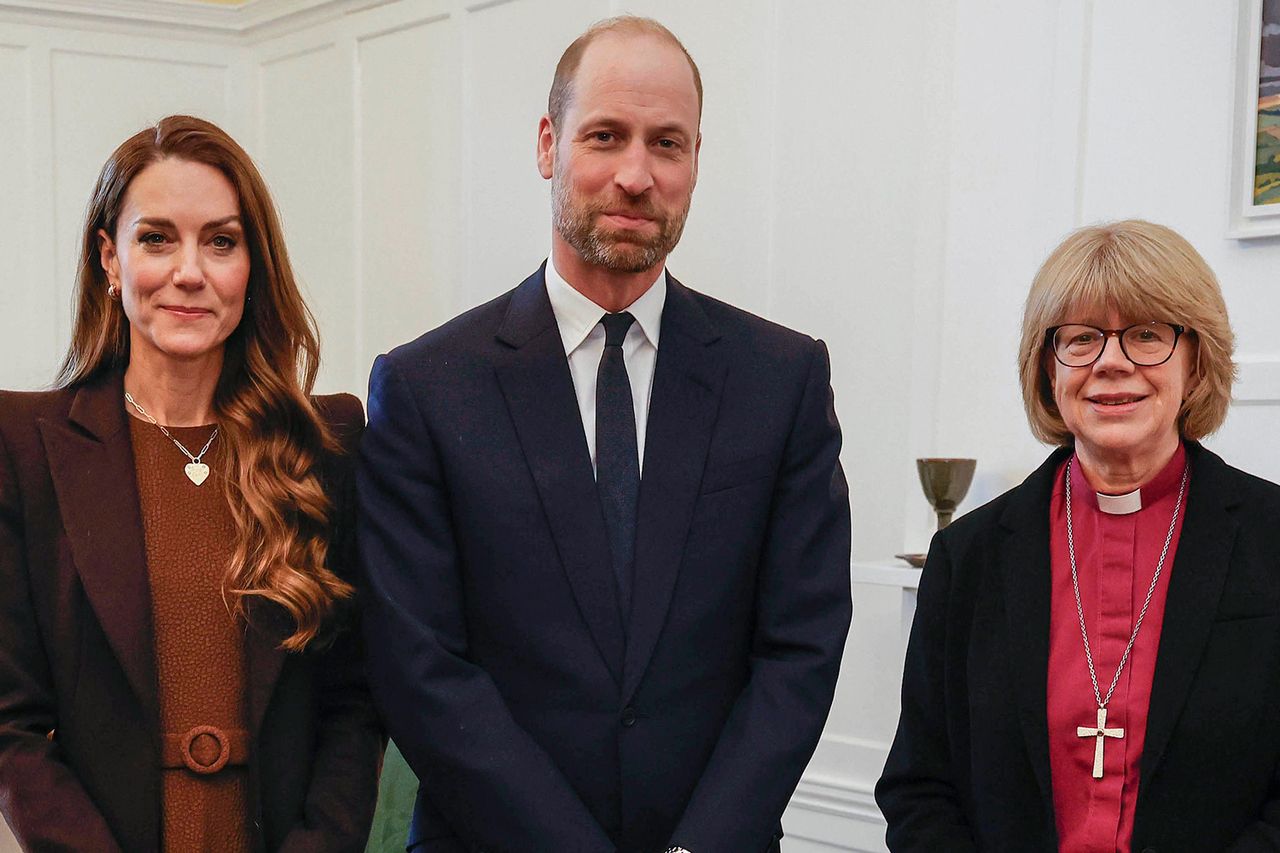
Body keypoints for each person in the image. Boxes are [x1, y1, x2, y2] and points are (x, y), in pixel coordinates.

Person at [358, 16, 852, 853]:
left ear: (696, 162)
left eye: (667, 144)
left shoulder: (782, 378)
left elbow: (800, 648)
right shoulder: (425, 386)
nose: (636, 174)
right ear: (549, 145)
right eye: (605, 136)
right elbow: (422, 669)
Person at [0, 115, 383, 851]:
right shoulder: (27, 447)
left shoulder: (325, 442)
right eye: (156, 238)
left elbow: (355, 702)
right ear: (109, 259)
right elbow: (10, 723)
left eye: (221, 240)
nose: (189, 271)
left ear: (252, 266)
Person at [876, 219, 1280, 851]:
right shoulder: (971, 556)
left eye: (1147, 335)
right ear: (1047, 367)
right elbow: (920, 785)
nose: (1111, 362)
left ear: (1197, 359)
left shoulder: (1270, 538)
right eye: (1082, 338)